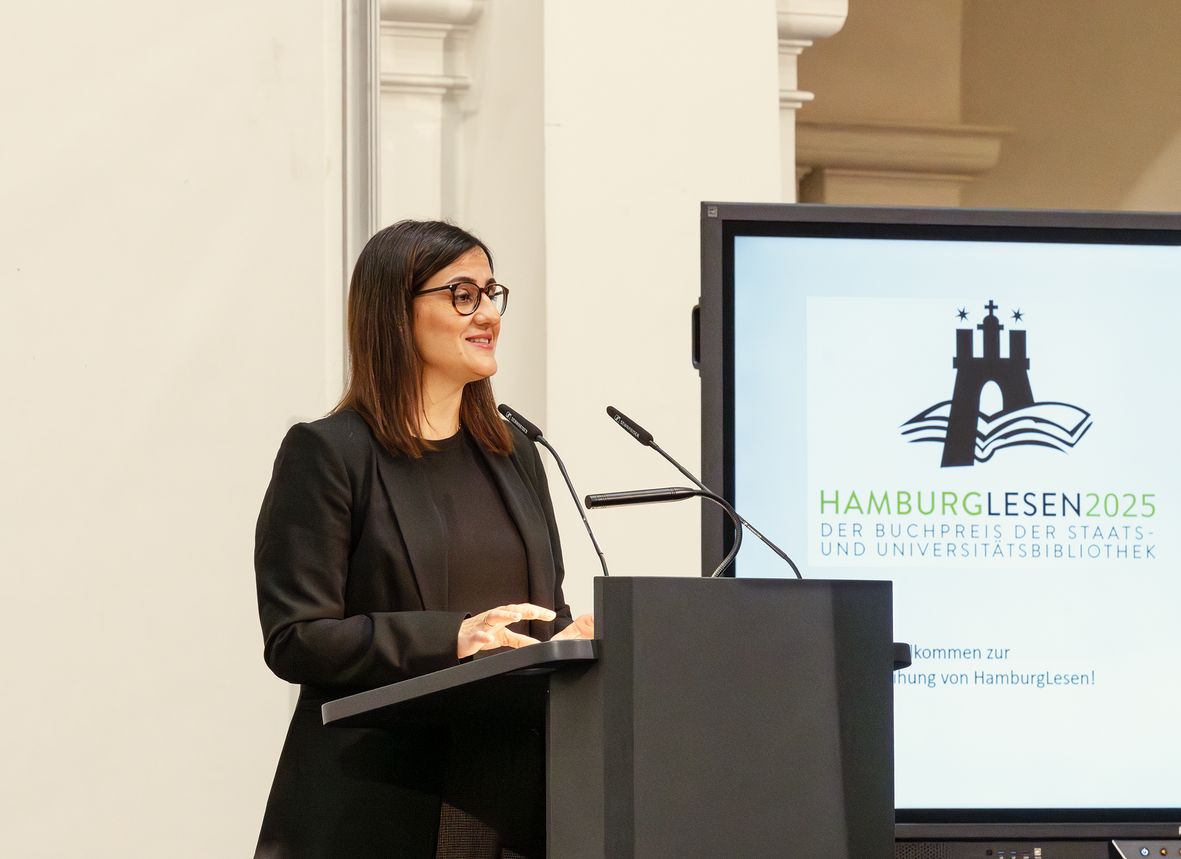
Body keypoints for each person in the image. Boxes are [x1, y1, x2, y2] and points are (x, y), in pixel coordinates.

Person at [253, 220, 594, 858]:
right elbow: (296, 638)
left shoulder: (515, 453)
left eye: (492, 293)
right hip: (380, 806)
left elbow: (533, 619)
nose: (487, 313)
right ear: (394, 312)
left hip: (510, 805)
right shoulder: (329, 454)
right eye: (462, 294)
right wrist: (453, 636)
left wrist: (572, 641)